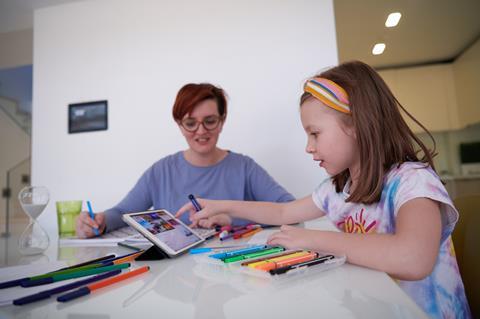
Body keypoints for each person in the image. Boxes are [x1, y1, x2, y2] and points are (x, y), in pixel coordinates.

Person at [176, 61, 471, 318]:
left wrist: (313, 239)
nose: (308, 147)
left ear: (357, 124)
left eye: (315, 133)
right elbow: (283, 211)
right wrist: (221, 205)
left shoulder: (413, 181)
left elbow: (413, 258)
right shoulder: (338, 188)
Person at [76, 83, 294, 238]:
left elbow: (290, 210)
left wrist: (232, 219)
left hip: (235, 270)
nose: (201, 131)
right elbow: (123, 213)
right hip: (176, 278)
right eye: (190, 123)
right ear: (179, 124)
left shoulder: (244, 168)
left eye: (210, 121)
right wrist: (100, 220)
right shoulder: (161, 171)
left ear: (222, 121)